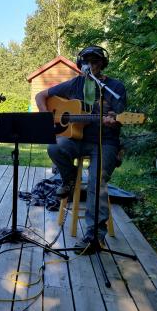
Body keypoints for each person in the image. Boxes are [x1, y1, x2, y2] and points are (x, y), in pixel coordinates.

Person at [36, 46, 126, 254]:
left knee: (97, 182)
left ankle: (93, 235)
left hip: (106, 142)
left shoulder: (115, 87)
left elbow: (118, 117)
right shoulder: (75, 83)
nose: (90, 66)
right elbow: (41, 96)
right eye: (86, 62)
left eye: (95, 62)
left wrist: (113, 120)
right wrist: (46, 118)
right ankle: (69, 176)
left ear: (102, 64)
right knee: (55, 147)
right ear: (80, 65)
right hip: (78, 139)